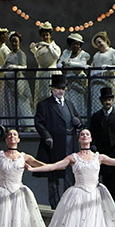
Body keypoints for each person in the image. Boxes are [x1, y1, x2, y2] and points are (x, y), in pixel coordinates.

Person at [34, 74, 82, 208]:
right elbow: (39, 123)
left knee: (69, 173)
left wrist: (78, 123)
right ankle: (55, 204)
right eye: (57, 88)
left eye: (62, 88)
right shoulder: (45, 104)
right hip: (54, 144)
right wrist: (47, 136)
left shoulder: (69, 104)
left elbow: (76, 119)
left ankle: (69, 202)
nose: (60, 91)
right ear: (52, 89)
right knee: (53, 174)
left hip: (70, 141)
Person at [89, 87, 115, 199]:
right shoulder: (96, 116)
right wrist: (93, 146)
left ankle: (112, 205)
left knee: (113, 183)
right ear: (101, 101)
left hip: (114, 153)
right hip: (100, 153)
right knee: (99, 181)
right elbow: (91, 132)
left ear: (112, 101)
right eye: (105, 100)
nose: (107, 102)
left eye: (109, 100)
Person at [0, 31, 35, 130]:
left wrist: (15, 67)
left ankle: (23, 125)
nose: (14, 43)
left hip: (17, 81)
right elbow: (4, 66)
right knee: (9, 103)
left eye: (16, 41)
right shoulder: (9, 54)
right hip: (8, 82)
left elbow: (24, 67)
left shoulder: (21, 54)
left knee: (20, 103)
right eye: (12, 41)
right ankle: (10, 124)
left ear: (19, 42)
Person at [59, 33, 92, 118]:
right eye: (73, 44)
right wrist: (64, 64)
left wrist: (68, 63)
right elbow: (59, 64)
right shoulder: (66, 53)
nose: (75, 46)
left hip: (78, 83)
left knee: (78, 101)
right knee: (68, 101)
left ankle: (80, 120)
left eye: (77, 44)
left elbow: (82, 64)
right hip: (68, 82)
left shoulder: (84, 54)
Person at [31, 22, 62, 110]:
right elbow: (39, 61)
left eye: (47, 35)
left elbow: (56, 56)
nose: (45, 37)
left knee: (51, 95)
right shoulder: (41, 47)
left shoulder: (55, 47)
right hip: (42, 74)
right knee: (41, 96)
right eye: (43, 35)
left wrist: (49, 46)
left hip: (52, 73)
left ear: (50, 35)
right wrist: (34, 50)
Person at [89, 31, 115, 113]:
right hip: (97, 83)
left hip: (108, 81)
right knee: (97, 103)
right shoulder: (96, 55)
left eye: (100, 42)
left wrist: (108, 68)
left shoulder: (113, 52)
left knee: (110, 101)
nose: (99, 45)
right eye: (97, 44)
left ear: (105, 41)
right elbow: (93, 66)